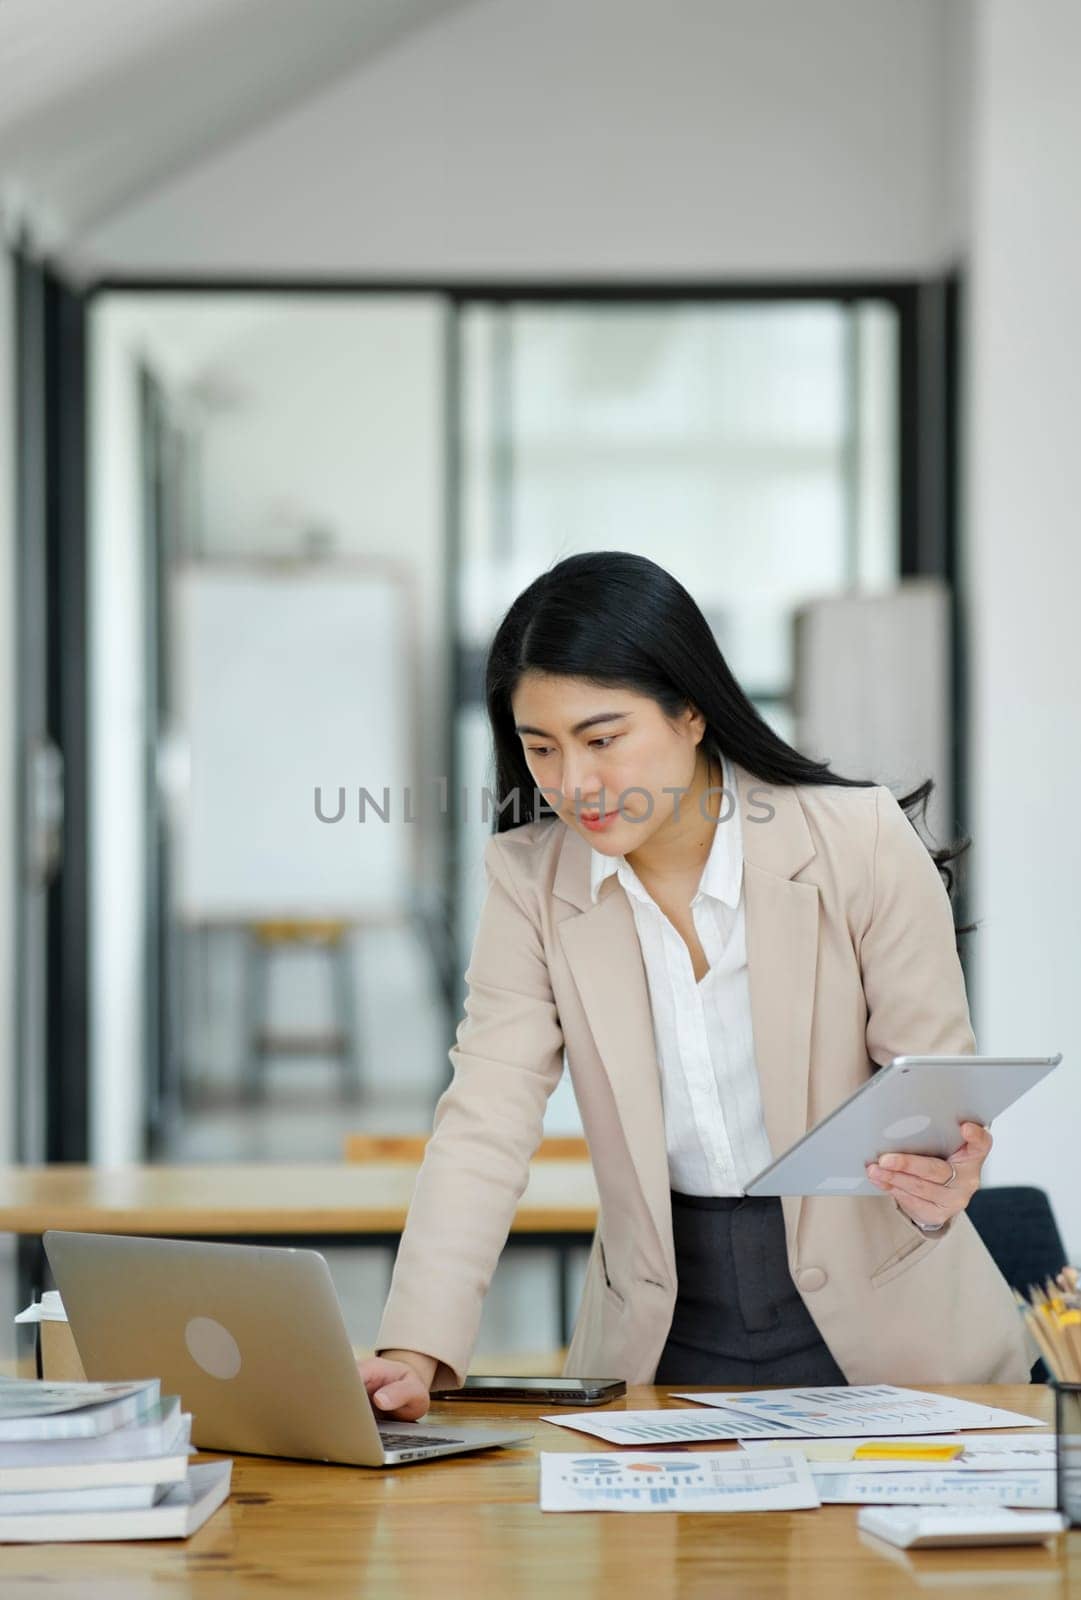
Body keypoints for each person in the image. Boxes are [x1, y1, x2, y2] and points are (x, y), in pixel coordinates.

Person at [357, 552, 1029, 1422]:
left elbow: (932, 1097)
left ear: (690, 711)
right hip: (660, 1333)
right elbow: (484, 1120)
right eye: (540, 748)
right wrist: (416, 1347)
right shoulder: (529, 881)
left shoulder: (855, 840)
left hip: (892, 1331)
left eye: (602, 739)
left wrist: (947, 1173)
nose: (574, 784)